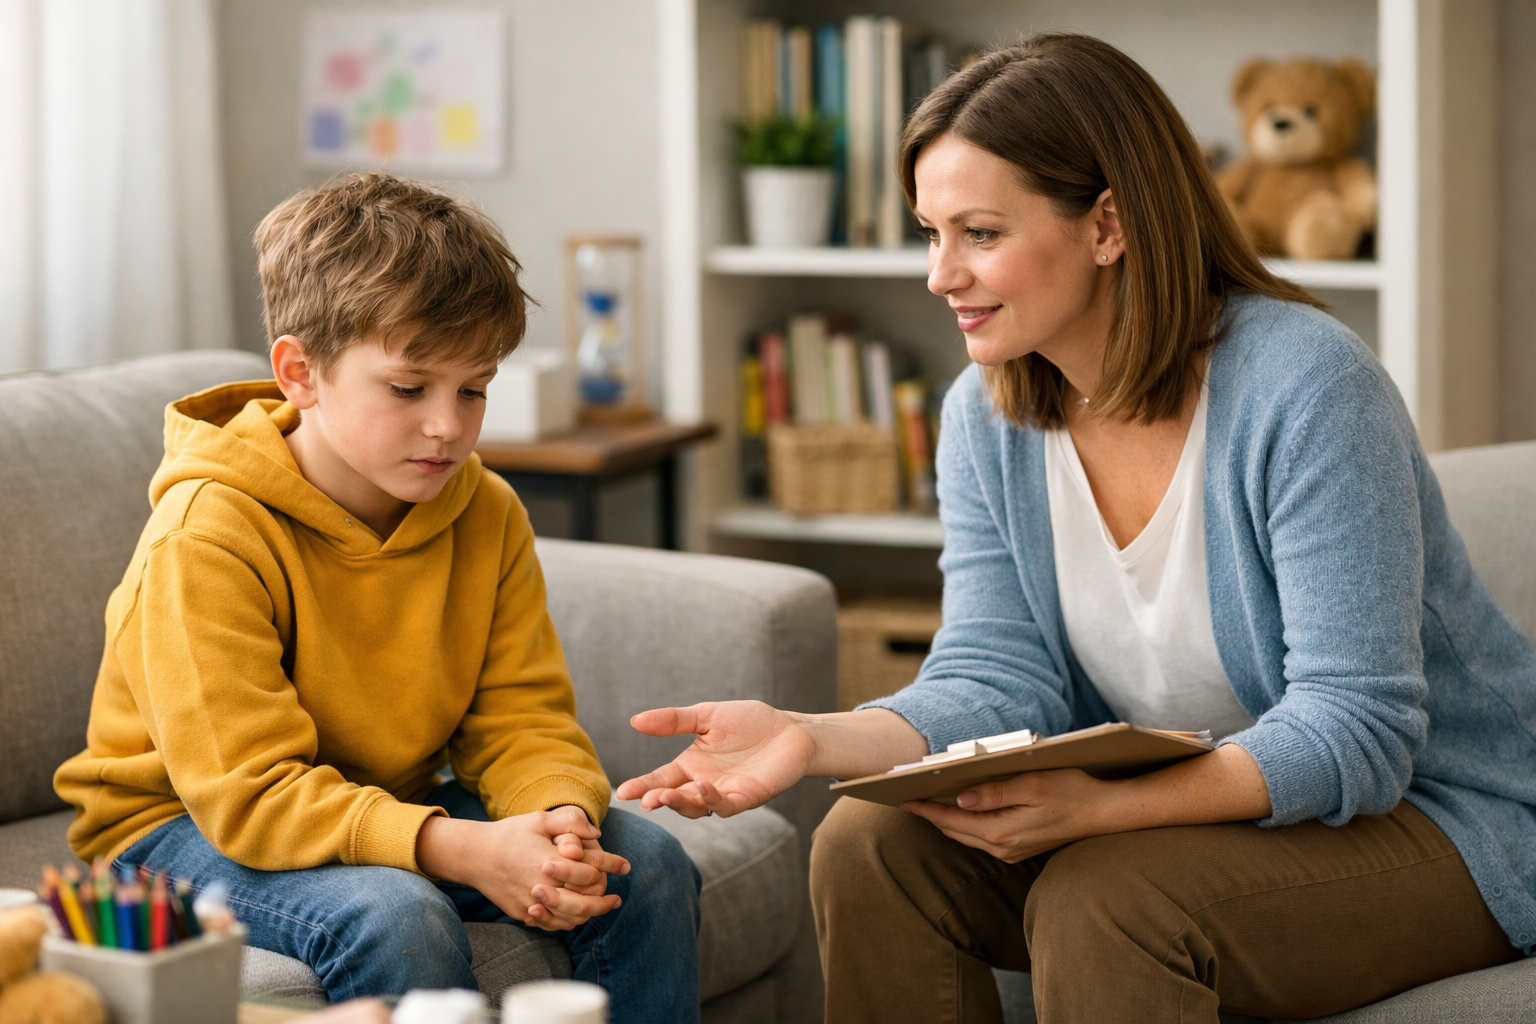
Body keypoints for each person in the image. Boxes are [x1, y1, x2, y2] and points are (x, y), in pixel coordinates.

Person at [617, 34, 1536, 1023]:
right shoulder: (984, 413)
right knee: (866, 842)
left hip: (1442, 819)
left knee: (1108, 898)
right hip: (1204, 817)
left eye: (978, 232)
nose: (940, 274)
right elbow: (995, 676)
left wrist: (1110, 807)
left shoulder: (1309, 389)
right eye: (930, 232)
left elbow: (1359, 731)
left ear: (1107, 224)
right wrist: (808, 735)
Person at [54, 173, 700, 1022]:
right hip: (176, 833)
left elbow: (520, 716)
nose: (449, 426)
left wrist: (560, 821)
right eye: (409, 388)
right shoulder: (205, 536)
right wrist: (459, 848)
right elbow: (247, 793)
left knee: (643, 863)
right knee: (397, 912)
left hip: (374, 800)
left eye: (474, 388)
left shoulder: (486, 509)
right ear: (301, 373)